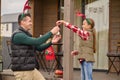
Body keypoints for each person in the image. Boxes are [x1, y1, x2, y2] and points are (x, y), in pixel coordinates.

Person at [11, 13, 61, 80]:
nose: (31, 23)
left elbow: (38, 47)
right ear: (22, 22)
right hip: (23, 70)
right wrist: (51, 32)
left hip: (31, 69)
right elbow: (37, 41)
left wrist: (51, 42)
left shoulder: (26, 35)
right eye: (29, 21)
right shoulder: (18, 35)